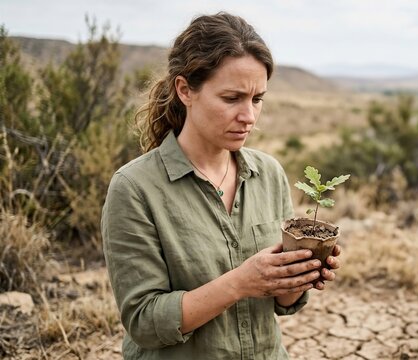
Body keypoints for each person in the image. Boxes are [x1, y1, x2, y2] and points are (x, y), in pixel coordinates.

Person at [101, 12, 341, 359]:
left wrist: (300, 274)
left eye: (257, 99)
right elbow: (145, 322)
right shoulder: (134, 188)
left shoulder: (269, 173)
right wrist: (241, 282)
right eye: (232, 99)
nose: (249, 116)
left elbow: (282, 303)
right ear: (185, 90)